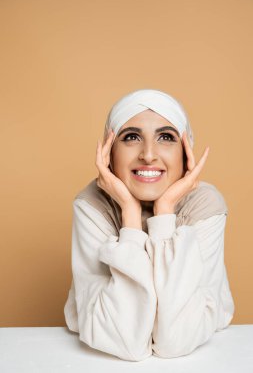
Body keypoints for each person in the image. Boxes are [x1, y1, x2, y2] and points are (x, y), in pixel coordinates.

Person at [63, 89, 235, 362]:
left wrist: (164, 211)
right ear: (109, 152)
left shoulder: (204, 205)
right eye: (131, 137)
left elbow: (176, 340)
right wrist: (130, 213)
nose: (148, 154)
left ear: (185, 151)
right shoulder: (92, 205)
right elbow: (124, 339)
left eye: (166, 137)